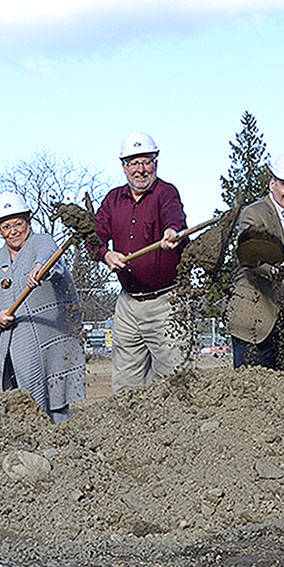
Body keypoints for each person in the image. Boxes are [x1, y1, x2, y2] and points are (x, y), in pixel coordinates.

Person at [91, 131, 189, 394]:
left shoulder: (165, 193)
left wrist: (172, 231)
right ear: (124, 167)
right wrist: (106, 254)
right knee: (126, 383)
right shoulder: (113, 200)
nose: (140, 169)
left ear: (155, 163)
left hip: (165, 304)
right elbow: (93, 236)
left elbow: (174, 215)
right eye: (133, 163)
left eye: (146, 162)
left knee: (173, 380)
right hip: (128, 304)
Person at [0, 192, 86, 421]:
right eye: (6, 226)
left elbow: (48, 257)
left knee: (54, 399)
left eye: (18, 223)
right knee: (21, 402)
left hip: (49, 340)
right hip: (13, 343)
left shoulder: (41, 242)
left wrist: (39, 267)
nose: (13, 230)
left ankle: (61, 445)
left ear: (29, 221)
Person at [228, 150, 284, 382]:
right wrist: (274, 270)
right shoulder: (254, 214)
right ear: (272, 183)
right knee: (255, 389)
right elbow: (250, 255)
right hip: (255, 313)